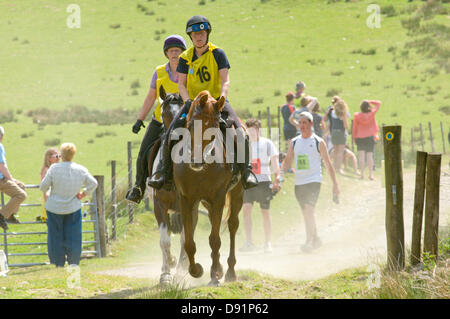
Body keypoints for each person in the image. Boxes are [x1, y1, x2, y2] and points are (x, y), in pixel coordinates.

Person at [148, 15, 257, 190]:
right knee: (170, 133)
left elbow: (225, 80)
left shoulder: (218, 53)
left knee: (240, 132)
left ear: (207, 34)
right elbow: (181, 85)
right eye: (195, 34)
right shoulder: (185, 57)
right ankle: (163, 172)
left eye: (202, 33)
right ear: (191, 37)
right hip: (192, 103)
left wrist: (221, 98)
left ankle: (246, 171)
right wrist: (188, 102)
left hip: (216, 102)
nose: (199, 36)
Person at [126, 35, 187, 204]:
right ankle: (138, 188)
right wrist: (140, 119)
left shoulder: (189, 69)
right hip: (161, 120)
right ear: (166, 53)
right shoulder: (159, 71)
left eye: (178, 50)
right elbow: (151, 97)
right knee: (143, 152)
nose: (174, 53)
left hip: (183, 120)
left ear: (183, 52)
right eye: (171, 51)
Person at [281, 112, 340, 253]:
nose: (302, 126)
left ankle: (308, 242)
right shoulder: (294, 142)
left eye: (304, 123)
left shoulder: (318, 142)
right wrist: (279, 177)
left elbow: (328, 164)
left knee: (308, 210)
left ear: (310, 124)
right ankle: (316, 238)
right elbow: (287, 162)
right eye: (300, 123)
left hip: (314, 180)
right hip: (299, 182)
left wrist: (335, 184)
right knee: (307, 213)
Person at [40, 143, 98, 267]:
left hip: (54, 208)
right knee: (74, 237)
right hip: (73, 207)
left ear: (61, 155)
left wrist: (51, 190)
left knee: (55, 237)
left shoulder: (54, 168)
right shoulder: (80, 169)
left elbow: (43, 186)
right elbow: (93, 183)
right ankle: (73, 262)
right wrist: (83, 194)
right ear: (73, 155)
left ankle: (57, 264)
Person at [240, 119, 281, 253]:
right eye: (249, 130)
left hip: (264, 182)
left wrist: (277, 180)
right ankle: (249, 242)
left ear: (258, 130)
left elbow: (275, 162)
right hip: (250, 182)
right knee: (246, 210)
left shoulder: (267, 143)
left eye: (253, 130)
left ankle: (267, 242)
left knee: (265, 212)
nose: (251, 133)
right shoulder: (244, 145)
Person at [0, 126, 27, 230]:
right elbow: (1, 166)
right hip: (1, 180)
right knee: (21, 195)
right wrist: (11, 179)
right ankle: (2, 215)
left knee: (21, 185)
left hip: (2, 178)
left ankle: (10, 214)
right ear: (1, 136)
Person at [352, 100, 382, 180]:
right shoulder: (371, 114)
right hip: (369, 137)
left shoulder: (357, 115)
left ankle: (362, 174)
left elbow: (354, 127)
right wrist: (369, 101)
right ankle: (371, 174)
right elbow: (379, 103)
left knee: (361, 156)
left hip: (360, 137)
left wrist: (354, 138)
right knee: (369, 156)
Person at [324, 97, 349, 174]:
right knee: (340, 152)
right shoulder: (343, 114)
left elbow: (325, 120)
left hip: (333, 133)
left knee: (335, 151)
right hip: (341, 133)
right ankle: (338, 168)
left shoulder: (332, 113)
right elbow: (346, 126)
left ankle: (334, 166)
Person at [37, 148, 61, 221]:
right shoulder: (46, 170)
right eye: (56, 156)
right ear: (49, 158)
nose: (58, 158)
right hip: (50, 203)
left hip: (57, 201)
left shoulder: (56, 168)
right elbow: (45, 189)